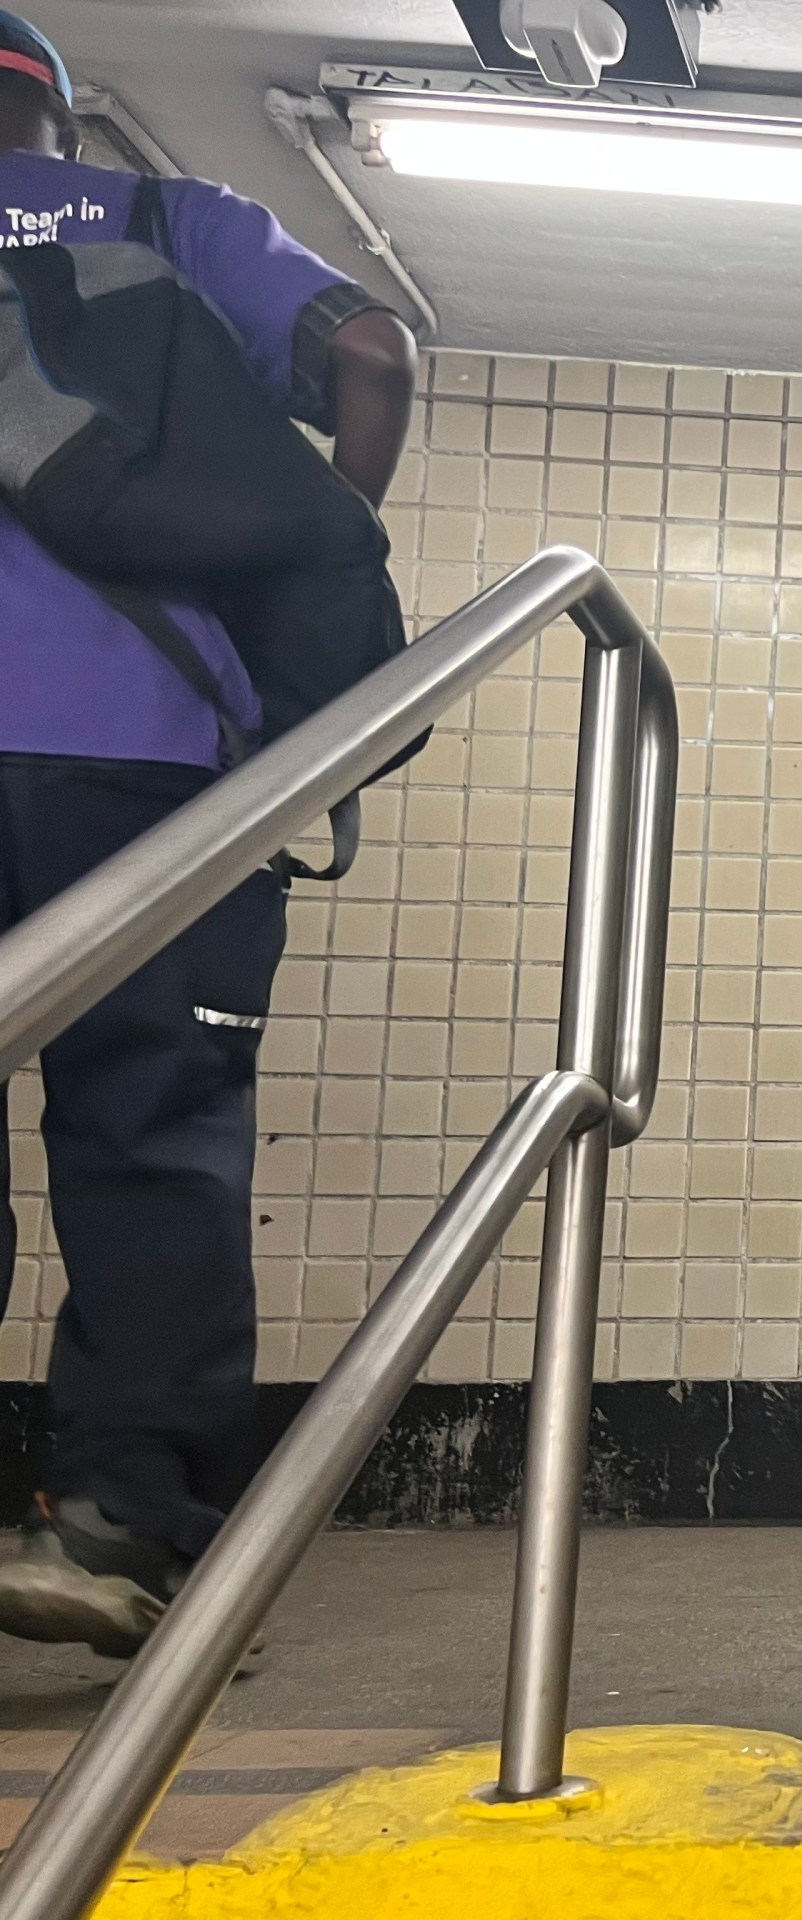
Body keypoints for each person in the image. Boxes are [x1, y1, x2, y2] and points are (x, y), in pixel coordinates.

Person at [0, 9, 417, 1655]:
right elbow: (373, 354)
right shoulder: (169, 229)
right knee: (153, 1136)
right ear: (65, 120)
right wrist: (309, 578)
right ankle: (113, 1524)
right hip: (158, 764)